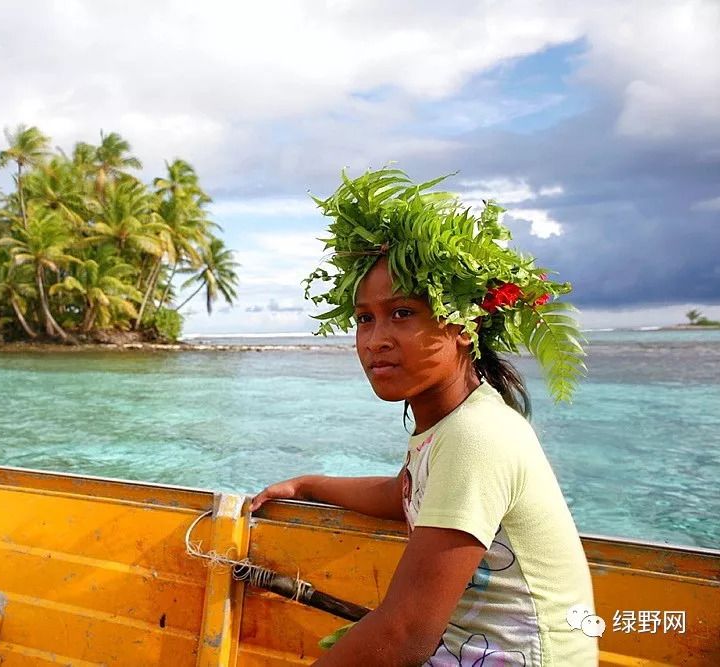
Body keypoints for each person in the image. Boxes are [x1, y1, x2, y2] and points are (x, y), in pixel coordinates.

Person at [251, 168, 595, 666]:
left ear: (463, 324)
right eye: (365, 318)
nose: (376, 340)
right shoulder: (452, 425)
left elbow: (406, 631)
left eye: (403, 313)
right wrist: (308, 486)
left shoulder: (478, 435)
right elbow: (407, 492)